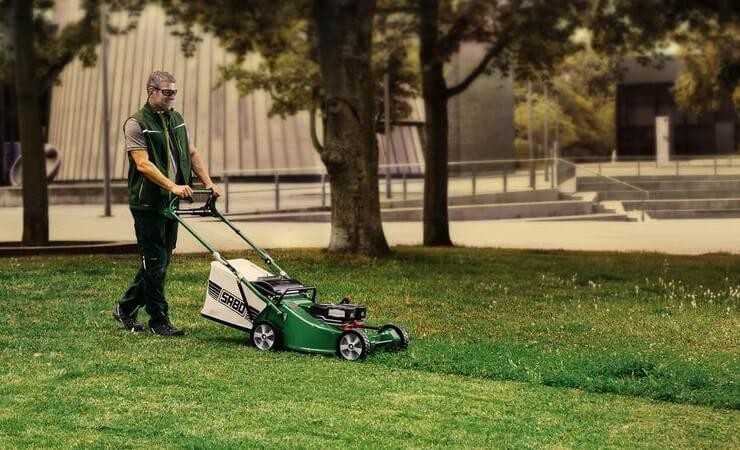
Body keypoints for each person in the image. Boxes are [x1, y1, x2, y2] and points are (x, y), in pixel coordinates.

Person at [113, 70, 221, 336]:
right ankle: (158, 321)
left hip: (171, 203)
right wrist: (172, 185)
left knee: (161, 260)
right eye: (167, 92)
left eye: (174, 92)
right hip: (148, 204)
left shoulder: (177, 119)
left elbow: (192, 152)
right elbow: (143, 164)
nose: (172, 96)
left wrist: (207, 182)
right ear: (151, 90)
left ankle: (125, 308)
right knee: (156, 261)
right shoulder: (136, 123)